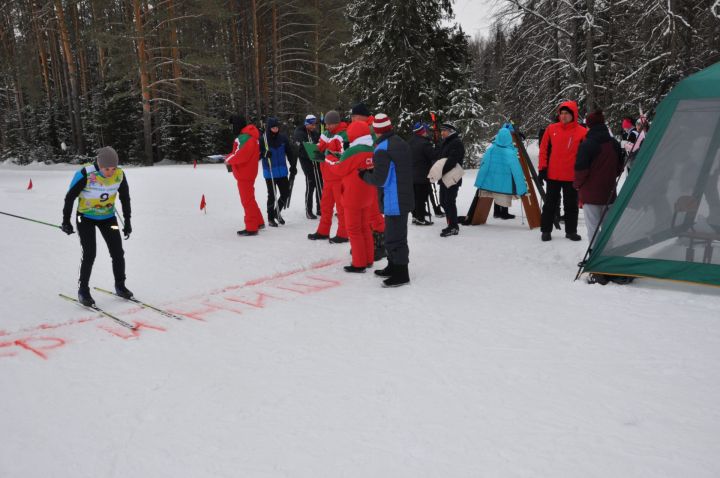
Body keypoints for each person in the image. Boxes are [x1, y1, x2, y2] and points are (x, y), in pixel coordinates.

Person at [61, 146, 132, 306]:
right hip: (85, 218)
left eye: (113, 168)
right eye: (107, 169)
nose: (110, 172)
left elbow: (125, 198)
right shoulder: (86, 174)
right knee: (90, 253)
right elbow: (70, 197)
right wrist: (66, 221)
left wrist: (127, 221)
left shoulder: (119, 175)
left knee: (117, 252)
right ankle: (83, 291)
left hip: (108, 218)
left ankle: (120, 286)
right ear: (99, 164)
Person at [360, 114, 414, 287]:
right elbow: (394, 168)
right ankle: (393, 266)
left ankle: (401, 273)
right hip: (402, 194)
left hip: (394, 198)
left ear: (376, 130)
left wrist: (364, 174)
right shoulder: (400, 142)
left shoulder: (382, 148)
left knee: (395, 237)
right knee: (395, 234)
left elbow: (379, 180)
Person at [326, 120, 377, 273]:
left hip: (353, 195)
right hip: (368, 193)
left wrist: (329, 158)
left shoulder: (353, 151)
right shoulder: (372, 148)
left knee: (354, 230)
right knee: (365, 228)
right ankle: (368, 259)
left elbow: (339, 168)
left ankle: (359, 263)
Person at [538, 100, 587, 241]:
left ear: (574, 115)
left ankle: (571, 231)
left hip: (572, 176)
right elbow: (543, 150)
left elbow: (586, 155)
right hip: (553, 175)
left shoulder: (582, 132)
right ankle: (546, 230)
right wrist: (542, 169)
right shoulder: (551, 129)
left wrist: (584, 173)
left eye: (567, 113)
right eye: (562, 113)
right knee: (550, 205)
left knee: (571, 205)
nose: (564, 116)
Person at [574, 110, 623, 245]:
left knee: (593, 228)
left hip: (591, 195)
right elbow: (620, 166)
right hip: (610, 192)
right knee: (608, 228)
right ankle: (608, 253)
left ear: (589, 125)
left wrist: (577, 185)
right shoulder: (614, 143)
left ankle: (594, 256)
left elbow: (580, 171)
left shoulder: (587, 144)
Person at [351, 102, 386, 259]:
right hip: (365, 174)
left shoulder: (372, 128)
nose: (352, 119)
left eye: (354, 116)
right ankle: (370, 242)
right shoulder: (365, 127)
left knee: (373, 210)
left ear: (361, 116)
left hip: (372, 173)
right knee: (369, 210)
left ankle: (380, 242)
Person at [308, 110, 349, 243]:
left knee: (341, 207)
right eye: (326, 124)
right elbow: (321, 146)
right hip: (327, 176)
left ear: (336, 123)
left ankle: (343, 233)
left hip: (338, 177)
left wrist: (326, 155)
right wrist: (314, 149)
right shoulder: (326, 134)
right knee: (325, 206)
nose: (327, 127)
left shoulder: (343, 135)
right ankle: (323, 231)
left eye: (330, 124)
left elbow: (343, 156)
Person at [474, 125, 528, 216]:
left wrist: (479, 182)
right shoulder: (511, 153)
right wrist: (522, 188)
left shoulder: (490, 150)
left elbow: (484, 166)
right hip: (505, 183)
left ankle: (497, 212)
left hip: (491, 181)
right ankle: (503, 213)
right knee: (503, 195)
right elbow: (517, 172)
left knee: (495, 192)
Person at [225, 115, 264, 236]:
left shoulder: (244, 138)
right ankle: (258, 222)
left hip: (244, 174)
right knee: (250, 199)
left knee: (246, 200)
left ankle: (251, 227)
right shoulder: (250, 137)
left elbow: (240, 155)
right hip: (248, 172)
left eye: (233, 125)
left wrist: (228, 159)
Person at [260, 117, 297, 227]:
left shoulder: (283, 138)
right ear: (269, 128)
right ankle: (270, 217)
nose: (275, 129)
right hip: (270, 171)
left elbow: (289, 152)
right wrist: (264, 154)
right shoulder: (263, 139)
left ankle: (277, 212)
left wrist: (293, 165)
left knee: (285, 193)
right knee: (272, 195)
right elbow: (257, 153)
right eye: (273, 128)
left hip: (282, 172)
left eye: (276, 127)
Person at [434, 122, 465, 237]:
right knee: (443, 201)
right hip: (444, 177)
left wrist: (438, 171)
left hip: (452, 177)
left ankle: (453, 227)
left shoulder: (456, 143)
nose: (442, 133)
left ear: (451, 131)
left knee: (449, 201)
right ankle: (451, 222)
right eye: (441, 131)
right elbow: (439, 158)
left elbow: (452, 161)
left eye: (444, 130)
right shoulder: (446, 142)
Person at [293, 114, 322, 219]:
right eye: (312, 124)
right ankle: (308, 210)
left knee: (320, 183)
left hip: (316, 159)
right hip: (306, 160)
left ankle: (320, 208)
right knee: (311, 183)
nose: (314, 126)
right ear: (307, 123)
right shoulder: (299, 132)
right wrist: (312, 152)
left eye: (314, 124)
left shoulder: (314, 133)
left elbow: (319, 143)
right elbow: (301, 148)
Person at [408, 122, 435, 225]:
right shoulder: (425, 143)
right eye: (425, 131)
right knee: (421, 197)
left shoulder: (409, 142)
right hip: (422, 175)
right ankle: (420, 218)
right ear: (421, 132)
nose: (426, 133)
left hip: (411, 175)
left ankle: (415, 216)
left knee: (414, 197)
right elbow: (433, 156)